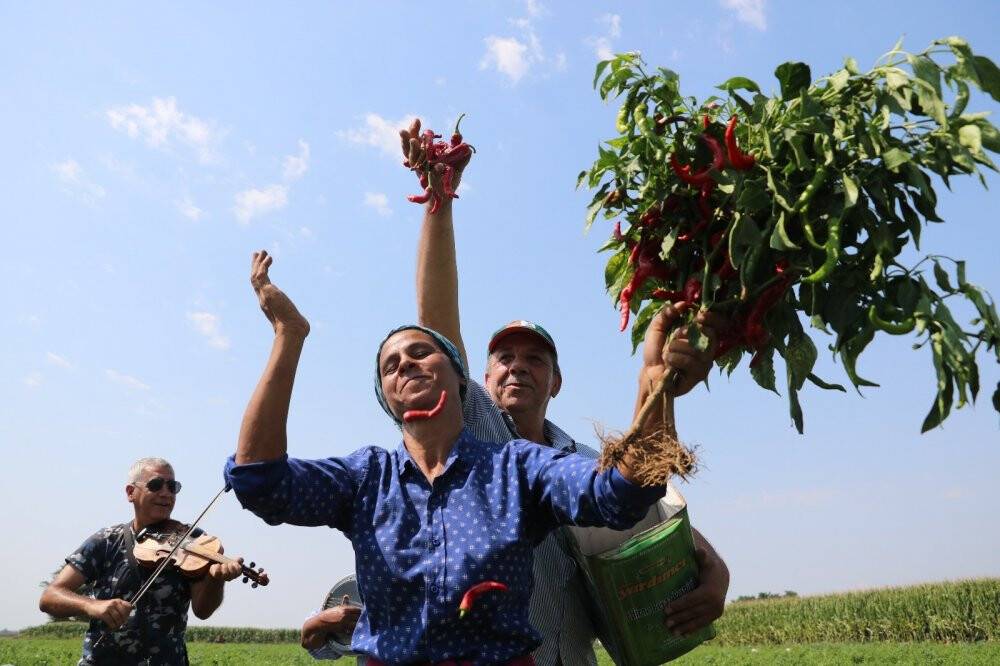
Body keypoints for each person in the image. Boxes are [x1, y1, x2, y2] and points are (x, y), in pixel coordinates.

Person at [304, 119, 731, 664]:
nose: (517, 369)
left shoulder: (582, 462)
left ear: (557, 381)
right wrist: (440, 200)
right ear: (476, 381)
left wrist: (713, 569)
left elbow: (650, 517)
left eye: (535, 360)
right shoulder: (475, 436)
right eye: (503, 359)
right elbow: (436, 321)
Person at [226, 251, 676, 664]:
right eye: (390, 364)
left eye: (422, 351)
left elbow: (619, 492)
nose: (405, 363)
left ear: (460, 378)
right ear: (386, 397)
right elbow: (259, 482)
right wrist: (289, 335)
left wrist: (656, 383)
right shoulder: (366, 476)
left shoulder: (515, 467)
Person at [39, 457, 244, 665]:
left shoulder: (193, 540)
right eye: (155, 485)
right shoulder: (106, 541)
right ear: (130, 492)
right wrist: (92, 606)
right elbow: (50, 597)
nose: (165, 493)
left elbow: (203, 611)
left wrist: (217, 579)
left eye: (172, 487)